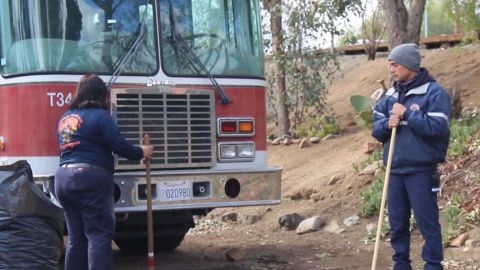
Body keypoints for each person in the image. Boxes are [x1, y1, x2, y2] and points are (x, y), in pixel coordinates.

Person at [54, 74, 153, 270]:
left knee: (76, 238)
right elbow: (120, 146)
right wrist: (141, 151)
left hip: (63, 179)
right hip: (90, 179)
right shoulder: (101, 117)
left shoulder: (65, 118)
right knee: (98, 235)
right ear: (102, 95)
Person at [372, 43, 451, 270]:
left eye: (395, 64)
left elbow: (438, 127)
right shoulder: (389, 95)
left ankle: (433, 265)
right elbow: (376, 131)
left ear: (409, 65)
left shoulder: (434, 92)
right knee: (397, 224)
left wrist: (408, 114)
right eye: (389, 65)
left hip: (421, 171)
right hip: (394, 171)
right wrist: (387, 123)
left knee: (427, 223)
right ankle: (401, 265)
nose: (391, 70)